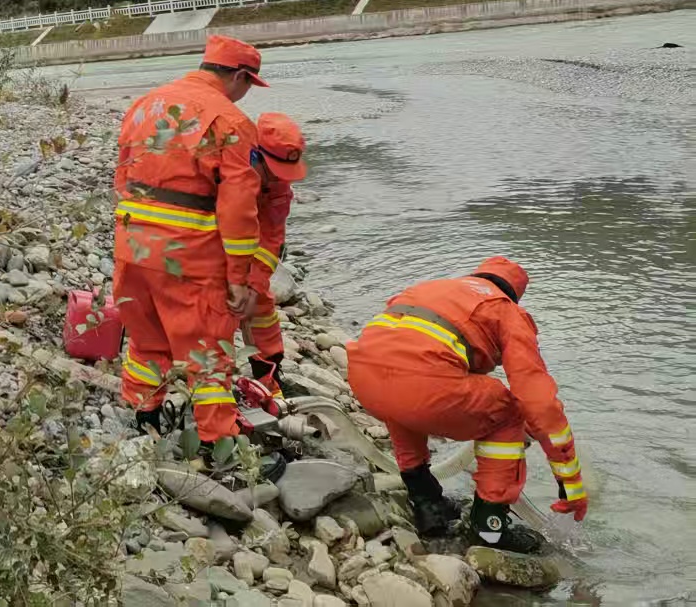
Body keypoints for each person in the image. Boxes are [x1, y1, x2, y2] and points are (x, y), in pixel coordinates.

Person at [347, 257, 586, 551]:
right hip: (421, 388)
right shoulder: (507, 310)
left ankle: (427, 503)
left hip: (363, 379)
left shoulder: (431, 288)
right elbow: (538, 400)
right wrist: (569, 479)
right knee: (509, 411)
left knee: (403, 393)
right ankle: (490, 526)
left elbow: (404, 356)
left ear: (479, 275)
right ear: (514, 294)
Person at [112, 35, 265, 455]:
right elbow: (238, 210)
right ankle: (220, 446)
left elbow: (123, 176)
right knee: (208, 353)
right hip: (189, 255)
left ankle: (143, 418)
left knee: (145, 337)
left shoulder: (145, 105)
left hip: (133, 244)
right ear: (239, 76)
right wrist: (239, 277)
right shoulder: (231, 122)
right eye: (249, 84)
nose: (246, 93)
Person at [238, 111, 307, 397]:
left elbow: (271, 237)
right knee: (215, 309)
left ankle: (268, 372)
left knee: (260, 306)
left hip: (246, 243)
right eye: (275, 170)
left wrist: (254, 283)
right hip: (211, 242)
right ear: (255, 155)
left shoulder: (278, 186)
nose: (281, 179)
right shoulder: (227, 167)